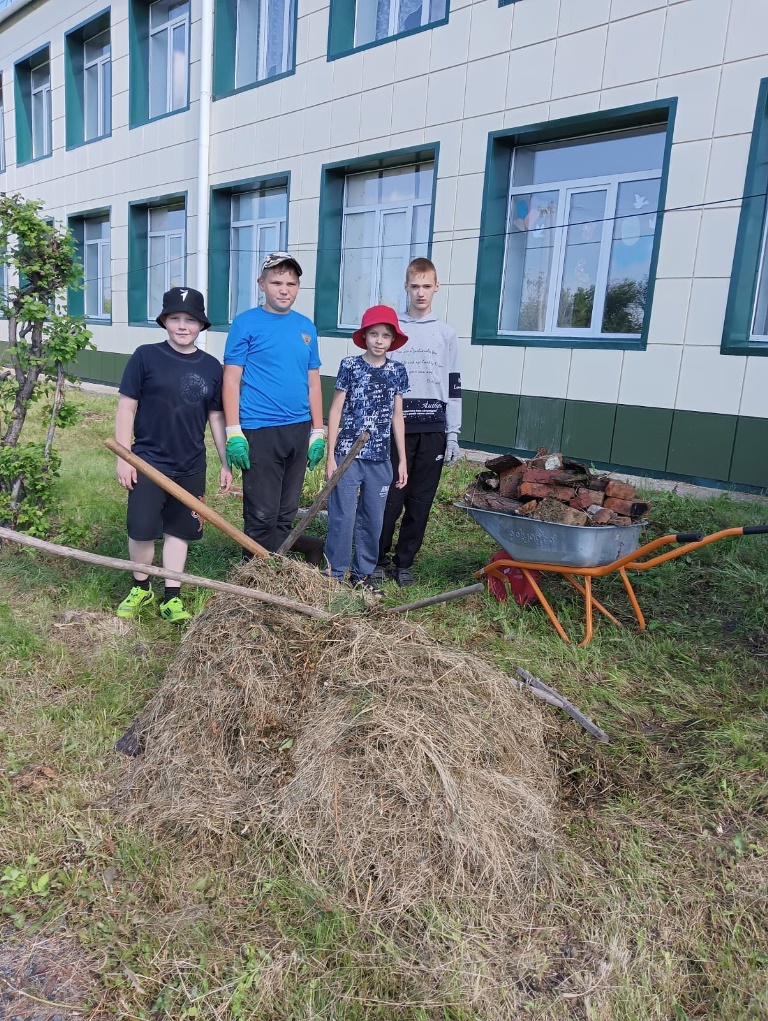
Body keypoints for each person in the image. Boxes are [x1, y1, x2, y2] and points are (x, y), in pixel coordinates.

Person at [114, 286, 232, 622]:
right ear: (165, 321)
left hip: (190, 463)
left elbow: (216, 417)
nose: (183, 326)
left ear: (201, 325)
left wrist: (224, 462)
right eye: (176, 318)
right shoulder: (145, 356)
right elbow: (126, 407)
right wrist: (124, 456)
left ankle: (172, 595)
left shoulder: (211, 366)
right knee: (141, 528)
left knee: (180, 530)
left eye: (190, 320)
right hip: (147, 462)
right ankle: (141, 586)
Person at [222, 252, 325, 555]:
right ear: (261, 284)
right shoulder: (246, 324)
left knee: (286, 509)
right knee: (262, 511)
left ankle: (277, 566)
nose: (284, 289)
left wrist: (318, 431)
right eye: (276, 282)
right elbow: (230, 380)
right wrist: (233, 431)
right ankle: (252, 569)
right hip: (260, 428)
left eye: (291, 283)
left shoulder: (306, 327)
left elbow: (314, 381)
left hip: (298, 428)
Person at [373, 257, 462, 587]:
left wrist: (452, 434)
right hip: (397, 429)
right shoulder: (394, 332)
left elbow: (454, 385)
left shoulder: (447, 334)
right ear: (406, 288)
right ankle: (378, 559)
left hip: (433, 430)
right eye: (415, 286)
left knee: (420, 501)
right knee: (390, 498)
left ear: (437, 287)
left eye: (427, 286)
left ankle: (404, 562)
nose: (421, 293)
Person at [324, 305, 409, 591]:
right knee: (343, 515)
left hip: (380, 457)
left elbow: (398, 417)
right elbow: (335, 410)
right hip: (348, 456)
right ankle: (335, 573)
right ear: (365, 336)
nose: (379, 340)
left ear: (392, 340)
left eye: (385, 335)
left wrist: (402, 461)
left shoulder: (397, 370)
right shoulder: (349, 366)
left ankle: (362, 574)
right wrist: (330, 456)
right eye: (373, 334)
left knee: (373, 516)